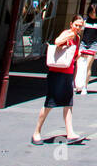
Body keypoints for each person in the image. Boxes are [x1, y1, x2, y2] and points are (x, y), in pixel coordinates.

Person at [31, 15, 86, 145]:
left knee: (68, 103)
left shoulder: (77, 38)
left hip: (68, 73)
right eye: (76, 25)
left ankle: (70, 133)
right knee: (49, 104)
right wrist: (69, 35)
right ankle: (36, 132)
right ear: (71, 23)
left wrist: (78, 56)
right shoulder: (68, 33)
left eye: (80, 26)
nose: (78, 28)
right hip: (56, 73)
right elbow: (57, 42)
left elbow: (71, 58)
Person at [76, 3, 97, 94]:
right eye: (91, 12)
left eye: (94, 12)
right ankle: (78, 84)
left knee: (87, 65)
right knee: (79, 64)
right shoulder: (85, 20)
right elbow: (80, 31)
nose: (92, 14)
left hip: (93, 44)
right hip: (84, 43)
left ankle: (84, 86)